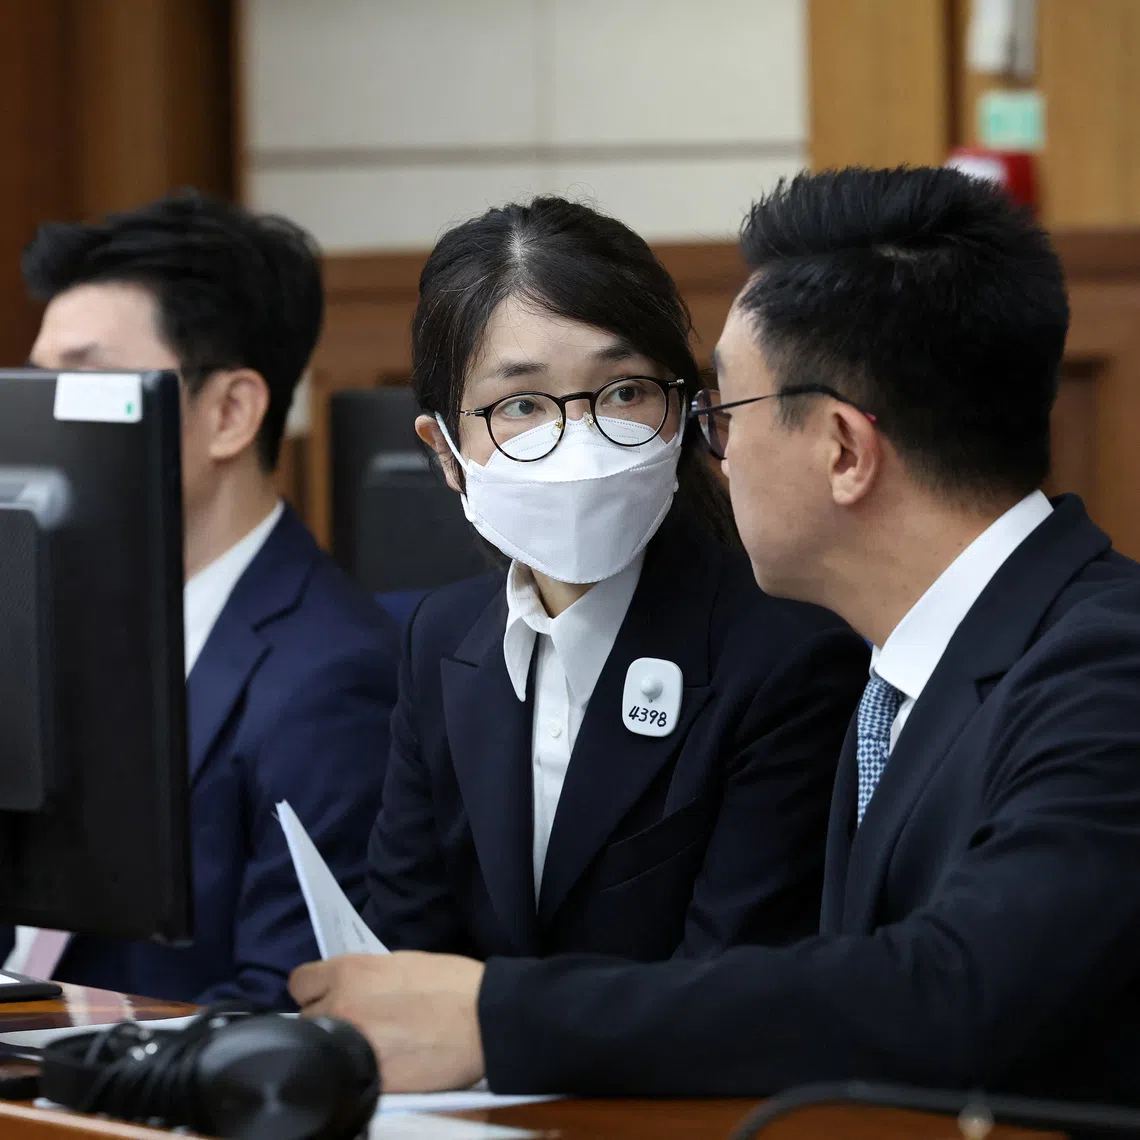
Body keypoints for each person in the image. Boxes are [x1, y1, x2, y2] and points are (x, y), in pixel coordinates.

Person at [290, 167, 1140, 1103]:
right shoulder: (912, 677)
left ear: (844, 451)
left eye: (718, 412)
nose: (713, 456)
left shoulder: (1108, 663)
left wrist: (496, 1018)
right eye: (522, 406)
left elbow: (958, 988)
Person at [360, 197, 868, 963]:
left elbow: (735, 984)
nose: (583, 439)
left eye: (625, 392)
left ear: (686, 407)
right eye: (521, 405)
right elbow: (405, 950)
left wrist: (483, 1025)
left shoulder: (785, 655)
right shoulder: (439, 643)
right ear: (444, 450)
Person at [7, 192, 400, 1007]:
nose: (40, 421)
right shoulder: (37, 622)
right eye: (33, 386)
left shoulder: (334, 677)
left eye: (82, 383)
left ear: (229, 412)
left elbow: (285, 1004)